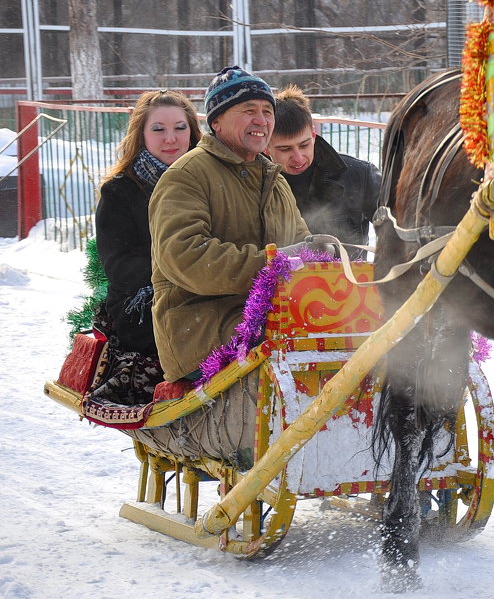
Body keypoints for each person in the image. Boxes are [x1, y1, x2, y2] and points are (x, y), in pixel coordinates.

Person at [149, 67, 310, 384]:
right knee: (291, 342)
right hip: (200, 329)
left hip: (267, 317)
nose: (262, 120)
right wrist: (272, 266)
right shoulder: (187, 175)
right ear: (216, 121)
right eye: (248, 111)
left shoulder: (274, 181)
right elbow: (184, 257)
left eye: (267, 111)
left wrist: (323, 253)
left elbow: (301, 242)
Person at [89, 90, 202, 405]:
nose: (171, 138)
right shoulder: (120, 192)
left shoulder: (209, 183)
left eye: (180, 128)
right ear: (141, 134)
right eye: (158, 129)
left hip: (207, 291)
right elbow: (121, 267)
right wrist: (187, 268)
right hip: (141, 304)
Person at [265, 85, 382, 250]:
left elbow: (398, 228)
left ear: (313, 135)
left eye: (304, 145)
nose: (298, 157)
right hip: (282, 276)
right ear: (265, 146)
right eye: (285, 149)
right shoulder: (254, 184)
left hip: (350, 275)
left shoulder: (359, 175)